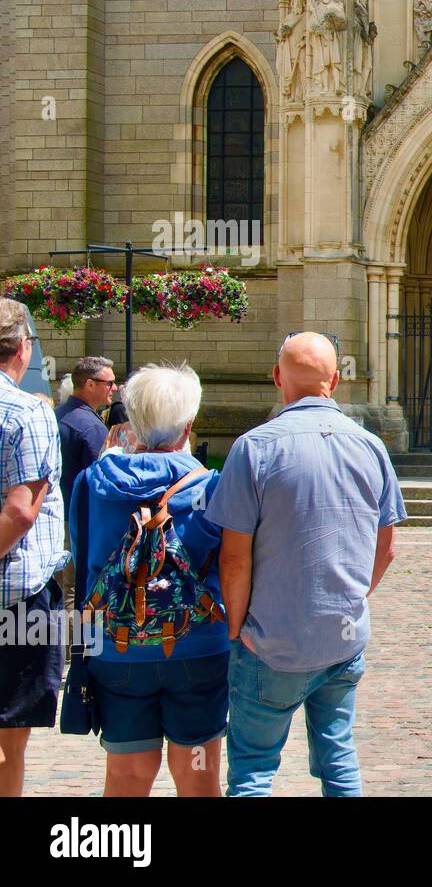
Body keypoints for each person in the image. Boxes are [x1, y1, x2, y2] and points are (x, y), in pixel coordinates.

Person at [206, 332, 407, 797]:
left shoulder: (253, 447)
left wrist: (236, 629)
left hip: (268, 640)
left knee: (253, 771)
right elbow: (387, 546)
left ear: (277, 378)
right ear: (335, 380)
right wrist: (350, 599)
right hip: (342, 636)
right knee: (339, 759)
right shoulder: (371, 446)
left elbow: (233, 557)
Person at [69, 364, 226, 796]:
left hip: (117, 650)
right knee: (198, 776)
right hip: (197, 647)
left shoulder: (91, 484)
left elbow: (86, 560)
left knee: (126, 776)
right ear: (188, 425)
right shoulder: (212, 488)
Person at [0, 298, 68, 797]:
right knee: (7, 739)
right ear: (24, 348)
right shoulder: (27, 412)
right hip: (14, 596)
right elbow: (21, 511)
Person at [53, 356, 116, 611]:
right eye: (109, 383)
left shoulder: (58, 415)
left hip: (57, 515)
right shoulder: (90, 427)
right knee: (75, 589)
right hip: (78, 519)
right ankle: (72, 651)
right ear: (90, 384)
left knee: (60, 588)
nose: (114, 388)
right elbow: (101, 483)